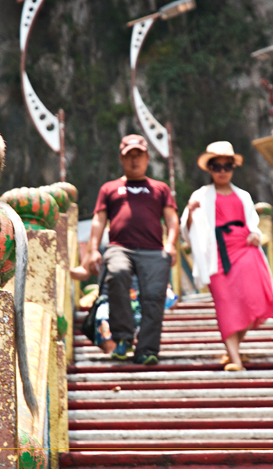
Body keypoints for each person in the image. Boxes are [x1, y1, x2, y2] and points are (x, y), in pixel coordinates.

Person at [181, 141, 273, 371]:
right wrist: (190, 212)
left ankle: (232, 351)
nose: (222, 171)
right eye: (217, 166)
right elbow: (186, 230)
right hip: (215, 252)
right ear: (210, 169)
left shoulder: (243, 195)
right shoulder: (200, 195)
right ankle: (235, 360)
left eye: (227, 166)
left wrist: (256, 235)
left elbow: (253, 224)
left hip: (244, 248)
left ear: (233, 168)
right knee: (225, 303)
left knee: (252, 298)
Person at [82, 134, 178, 365]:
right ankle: (123, 337)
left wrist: (171, 245)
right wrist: (93, 250)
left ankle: (146, 349)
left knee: (154, 297)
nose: (134, 160)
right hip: (119, 248)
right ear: (122, 159)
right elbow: (99, 220)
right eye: (129, 156)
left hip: (154, 250)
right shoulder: (110, 188)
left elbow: (172, 219)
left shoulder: (160, 188)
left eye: (139, 155)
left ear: (147, 158)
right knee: (116, 274)